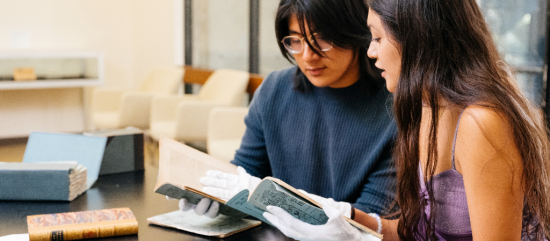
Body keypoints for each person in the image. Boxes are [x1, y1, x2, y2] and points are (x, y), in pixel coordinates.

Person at [262, 0, 550, 240]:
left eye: (377, 38)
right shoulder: (424, 109)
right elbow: (418, 232)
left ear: (416, 38)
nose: (371, 52)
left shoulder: (482, 123)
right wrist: (344, 217)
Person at [171, 0, 398, 220]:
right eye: (295, 40)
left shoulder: (395, 107)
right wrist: (216, 196)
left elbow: (371, 217)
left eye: (322, 38)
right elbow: (247, 170)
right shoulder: (274, 90)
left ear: (355, 32)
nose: (308, 55)